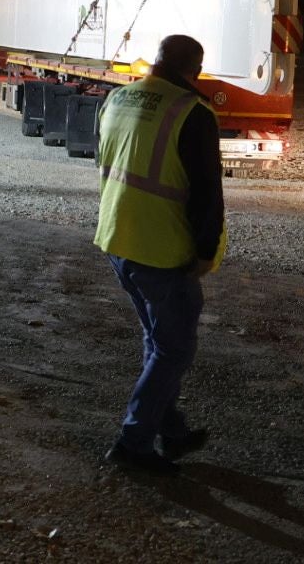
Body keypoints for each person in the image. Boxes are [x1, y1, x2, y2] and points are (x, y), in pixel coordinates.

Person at [95, 34, 226, 475]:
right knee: (174, 349)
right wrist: (205, 250)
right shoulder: (192, 111)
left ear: (157, 60)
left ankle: (169, 429)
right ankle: (133, 442)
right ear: (196, 70)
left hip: (118, 237)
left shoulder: (117, 98)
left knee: (157, 340)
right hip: (162, 249)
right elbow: (206, 191)